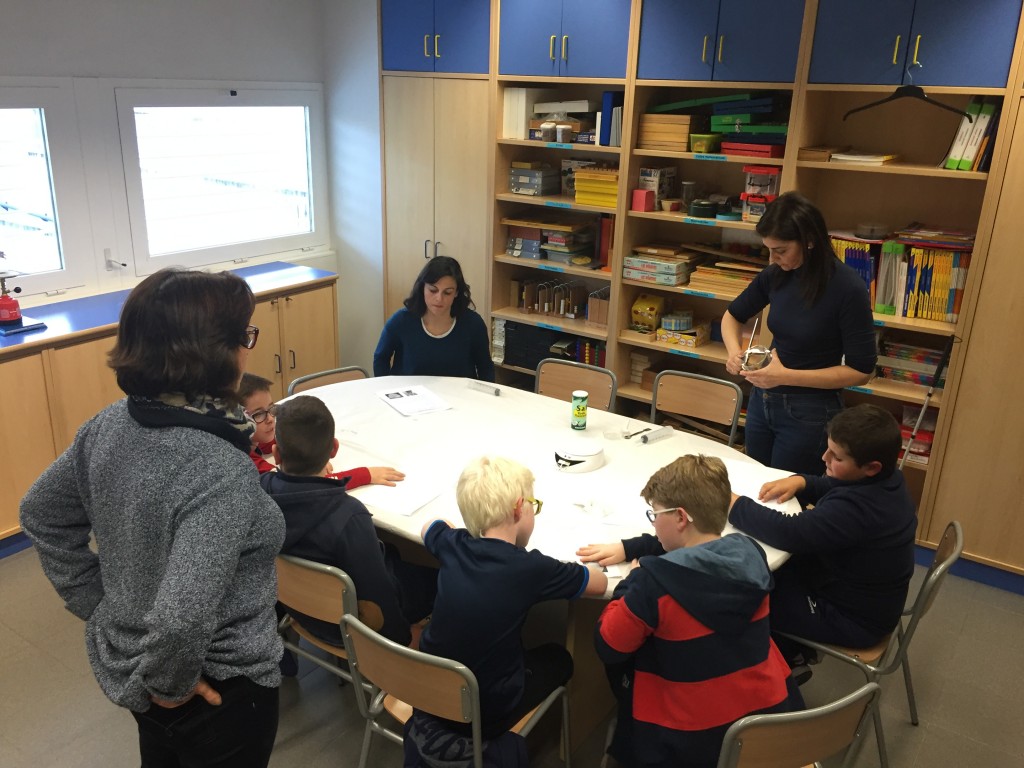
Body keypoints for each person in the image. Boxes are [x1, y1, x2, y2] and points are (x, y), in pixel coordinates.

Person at [19, 268, 283, 767]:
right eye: (244, 335)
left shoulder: (111, 422)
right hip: (216, 691)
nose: (249, 349)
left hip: (142, 668)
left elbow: (40, 513)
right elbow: (181, 617)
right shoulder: (216, 464)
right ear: (214, 352)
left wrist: (109, 613)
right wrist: (168, 685)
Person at [583, 455, 802, 768]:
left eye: (654, 515)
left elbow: (608, 645)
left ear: (681, 518)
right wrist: (635, 547)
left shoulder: (651, 585)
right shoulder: (750, 554)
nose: (653, 522)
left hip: (689, 743)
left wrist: (628, 585)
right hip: (767, 726)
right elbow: (699, 554)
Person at [408, 456, 607, 765]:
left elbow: (429, 526)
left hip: (429, 693)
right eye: (533, 506)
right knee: (559, 658)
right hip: (484, 712)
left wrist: (452, 530)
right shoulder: (532, 568)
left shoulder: (453, 544)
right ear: (518, 508)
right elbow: (598, 584)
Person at [728, 404, 917, 669]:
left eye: (836, 457)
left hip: (851, 619)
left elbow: (789, 532)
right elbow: (838, 485)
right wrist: (803, 482)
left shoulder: (859, 509)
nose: (824, 458)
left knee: (740, 596)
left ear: (871, 467)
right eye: (828, 448)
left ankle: (778, 667)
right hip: (852, 592)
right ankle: (784, 649)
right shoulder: (887, 479)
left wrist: (731, 503)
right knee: (764, 571)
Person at [721, 191, 877, 475]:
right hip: (762, 401)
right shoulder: (777, 274)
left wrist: (786, 376)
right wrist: (734, 353)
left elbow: (860, 370)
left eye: (780, 250)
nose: (773, 258)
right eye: (769, 249)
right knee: (753, 483)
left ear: (809, 241)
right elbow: (732, 316)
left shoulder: (847, 289)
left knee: (787, 498)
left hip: (810, 412)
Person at [260, 395, 435, 648]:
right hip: (349, 631)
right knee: (439, 576)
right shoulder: (349, 517)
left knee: (393, 553)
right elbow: (379, 598)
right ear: (334, 449)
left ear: (276, 453)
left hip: (298, 611)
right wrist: (403, 643)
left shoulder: (262, 491)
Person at [238, 372, 404, 487]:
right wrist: (366, 475)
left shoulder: (252, 437)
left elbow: (289, 440)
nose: (270, 419)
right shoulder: (246, 463)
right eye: (258, 414)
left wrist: (312, 452)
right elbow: (302, 485)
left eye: (271, 408)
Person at [373, 255, 495, 381]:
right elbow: (380, 357)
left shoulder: (473, 324)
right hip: (411, 397)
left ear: (457, 292)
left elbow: (485, 367)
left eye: (447, 292)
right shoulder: (401, 321)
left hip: (457, 398)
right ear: (422, 288)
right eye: (433, 290)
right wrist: (387, 389)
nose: (439, 299)